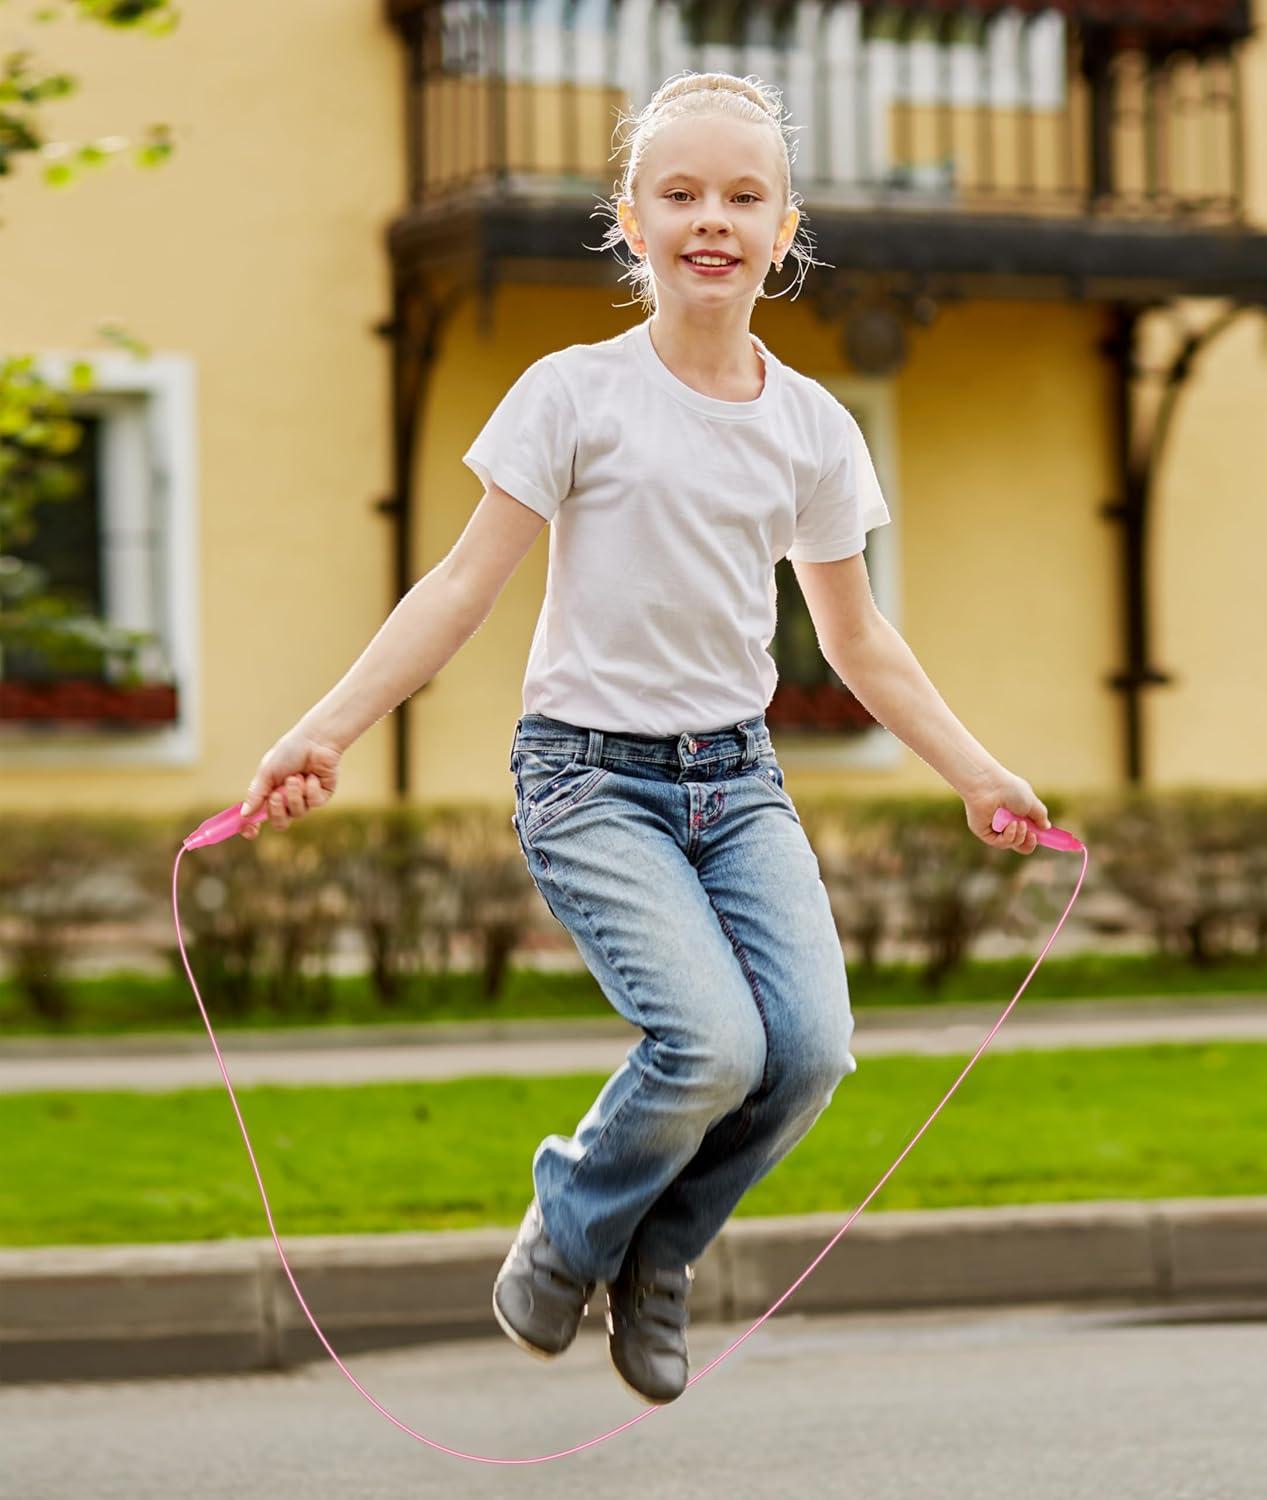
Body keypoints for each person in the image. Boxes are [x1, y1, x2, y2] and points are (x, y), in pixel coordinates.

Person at [237, 70, 1050, 1407]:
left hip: (737, 782)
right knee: (714, 1045)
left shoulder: (814, 429)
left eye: (744, 196)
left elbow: (858, 641)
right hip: (588, 779)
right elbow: (460, 587)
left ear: (785, 230)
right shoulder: (573, 395)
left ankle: (659, 1252)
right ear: (632, 223)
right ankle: (570, 1227)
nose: (711, 218)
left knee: (811, 1051)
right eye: (680, 194)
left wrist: (977, 772)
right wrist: (322, 731)